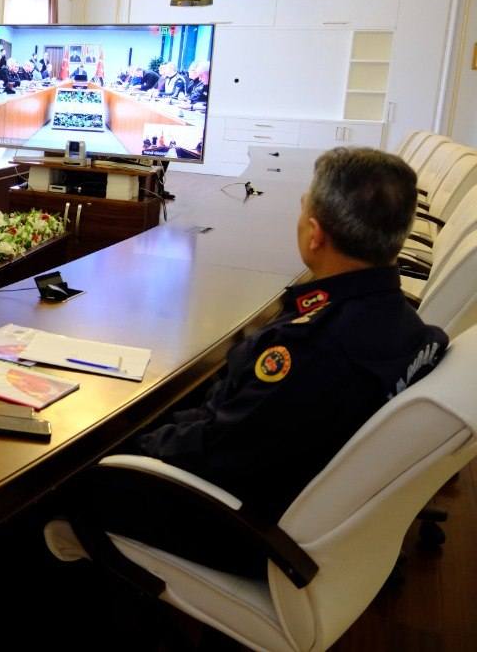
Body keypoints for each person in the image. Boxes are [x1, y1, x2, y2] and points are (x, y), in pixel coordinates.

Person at [59, 147, 448, 577]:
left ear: (315, 235)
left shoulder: (312, 347)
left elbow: (214, 448)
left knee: (60, 480)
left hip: (241, 526)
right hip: (310, 507)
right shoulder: (410, 327)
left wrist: (124, 445)